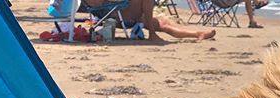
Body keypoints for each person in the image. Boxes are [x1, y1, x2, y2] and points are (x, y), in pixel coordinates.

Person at [88, 0, 216, 41]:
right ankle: (152, 34)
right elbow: (96, 4)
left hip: (122, 13)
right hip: (116, 15)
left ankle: (197, 34)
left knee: (163, 23)